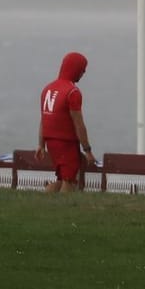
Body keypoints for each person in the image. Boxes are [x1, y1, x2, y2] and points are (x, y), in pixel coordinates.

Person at [37, 51, 96, 192]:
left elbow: (43, 119)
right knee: (70, 181)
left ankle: (43, 203)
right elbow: (79, 124)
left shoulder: (48, 89)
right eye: (82, 69)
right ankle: (64, 208)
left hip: (51, 143)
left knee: (61, 179)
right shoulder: (72, 92)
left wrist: (41, 144)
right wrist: (87, 150)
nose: (84, 72)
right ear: (75, 69)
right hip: (66, 142)